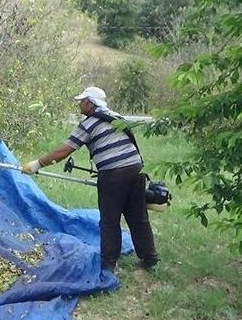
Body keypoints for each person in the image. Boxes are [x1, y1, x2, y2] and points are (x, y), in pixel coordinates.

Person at [21, 86, 159, 272]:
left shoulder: (89, 123)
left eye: (82, 101)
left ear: (91, 103)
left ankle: (108, 264)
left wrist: (37, 164)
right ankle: (150, 259)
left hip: (113, 173)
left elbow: (65, 150)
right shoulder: (116, 117)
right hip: (135, 168)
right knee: (138, 217)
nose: (79, 104)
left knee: (109, 220)